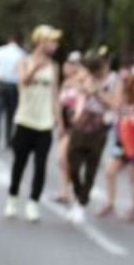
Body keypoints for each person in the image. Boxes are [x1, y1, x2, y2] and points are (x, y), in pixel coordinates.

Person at [4, 25, 63, 222]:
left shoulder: (54, 67)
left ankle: (33, 203)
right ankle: (12, 198)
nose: (55, 46)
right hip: (24, 119)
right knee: (19, 163)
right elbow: (22, 82)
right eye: (52, 41)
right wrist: (36, 68)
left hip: (44, 123)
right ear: (41, 42)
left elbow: (55, 95)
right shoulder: (24, 61)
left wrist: (59, 121)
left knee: (40, 166)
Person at [96, 72, 134, 223]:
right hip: (122, 142)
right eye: (133, 83)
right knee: (109, 171)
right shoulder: (125, 98)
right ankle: (110, 203)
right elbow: (114, 104)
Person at [63, 57, 111, 224]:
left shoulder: (112, 81)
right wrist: (81, 85)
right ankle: (79, 193)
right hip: (81, 123)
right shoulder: (84, 77)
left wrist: (96, 91)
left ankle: (81, 203)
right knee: (72, 163)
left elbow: (114, 103)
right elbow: (70, 87)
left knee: (91, 167)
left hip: (99, 126)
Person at [53, 52, 83, 205]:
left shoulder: (82, 82)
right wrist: (59, 123)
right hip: (64, 124)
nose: (68, 66)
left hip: (75, 125)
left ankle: (69, 189)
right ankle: (64, 190)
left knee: (64, 158)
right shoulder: (65, 82)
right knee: (62, 160)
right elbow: (59, 104)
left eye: (73, 64)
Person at [0, 31, 25, 150]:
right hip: (13, 85)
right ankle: (8, 140)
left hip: (0, 83)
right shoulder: (21, 54)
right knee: (10, 114)